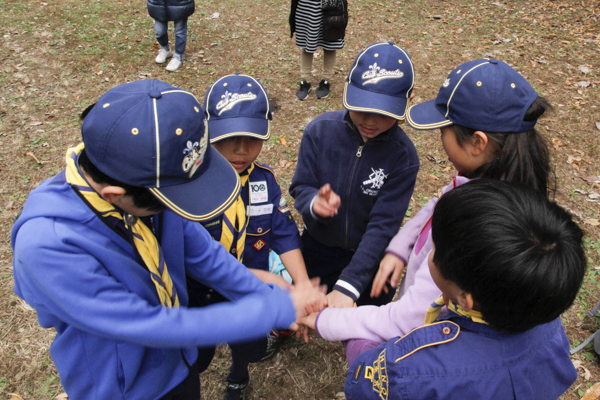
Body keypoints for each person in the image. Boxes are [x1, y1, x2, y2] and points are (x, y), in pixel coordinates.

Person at [11, 80, 313, 400]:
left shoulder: (152, 178)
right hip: (123, 387)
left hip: (179, 361)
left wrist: (261, 290)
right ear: (115, 195)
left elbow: (202, 252)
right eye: (169, 202)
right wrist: (267, 312)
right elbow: (149, 325)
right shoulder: (49, 246)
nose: (173, 209)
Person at [298, 58, 557, 359]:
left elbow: (405, 319)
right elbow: (439, 203)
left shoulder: (474, 233)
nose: (440, 138)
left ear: (477, 142)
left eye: (444, 129)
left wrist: (324, 320)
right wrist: (399, 247)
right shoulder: (487, 181)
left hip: (431, 343)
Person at [302, 179, 585, 399]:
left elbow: (365, 377)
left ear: (465, 297)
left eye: (434, 248)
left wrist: (350, 335)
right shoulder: (542, 315)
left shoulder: (410, 371)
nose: (428, 251)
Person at [187, 73, 326, 399]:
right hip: (200, 297)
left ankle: (238, 373)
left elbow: (282, 231)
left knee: (247, 343)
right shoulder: (191, 188)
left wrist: (302, 283)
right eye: (227, 138)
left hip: (250, 295)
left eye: (252, 138)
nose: (240, 149)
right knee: (196, 357)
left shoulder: (263, 181)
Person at [289, 42, 420, 308]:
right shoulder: (319, 132)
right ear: (348, 89)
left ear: (407, 101)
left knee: (366, 320)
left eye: (383, 113)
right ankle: (281, 328)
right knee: (302, 306)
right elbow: (301, 186)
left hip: (370, 257)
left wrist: (349, 285)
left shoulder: (403, 157)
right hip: (318, 248)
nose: (370, 121)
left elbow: (384, 224)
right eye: (362, 108)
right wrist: (314, 202)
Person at [289, 0, 348, 100]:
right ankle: (305, 81)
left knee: (330, 45)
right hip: (307, 8)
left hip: (331, 7)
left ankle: (326, 80)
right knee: (307, 46)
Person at [147, 0, 194, 71]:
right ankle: (165, 49)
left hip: (180, 4)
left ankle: (178, 56)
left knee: (180, 31)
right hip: (158, 4)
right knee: (159, 31)